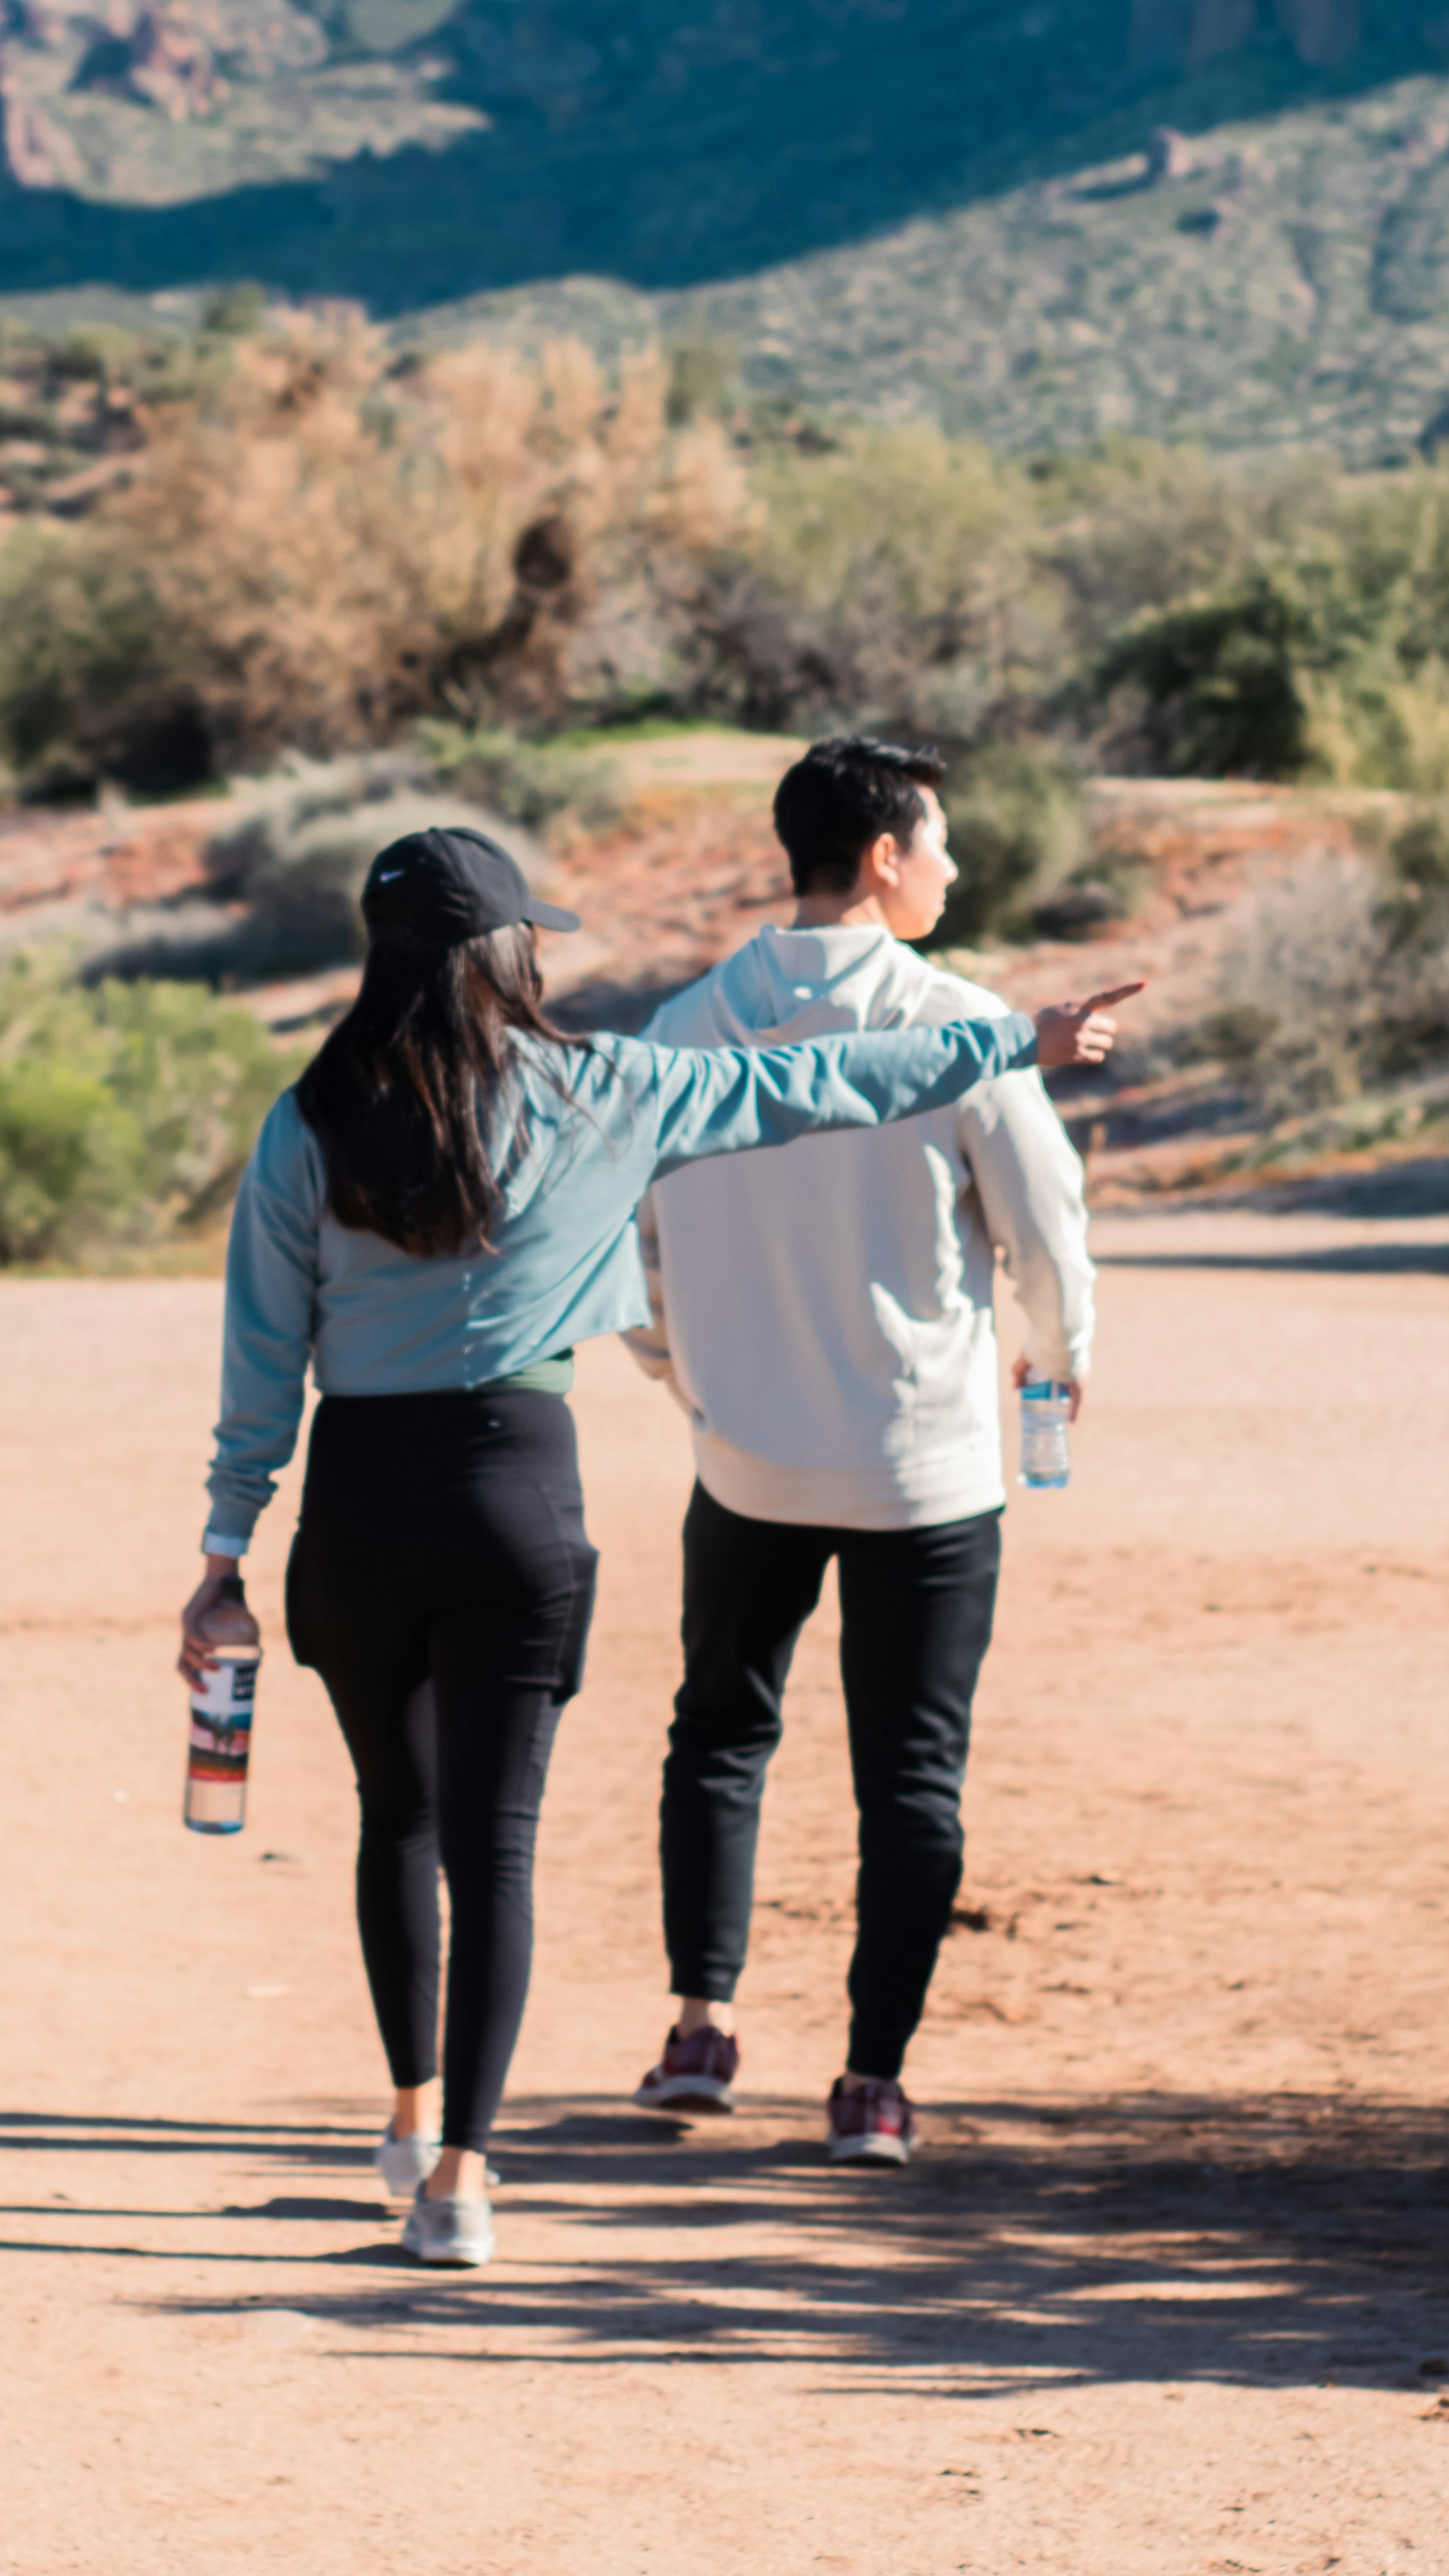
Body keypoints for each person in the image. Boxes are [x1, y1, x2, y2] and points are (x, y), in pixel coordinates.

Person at [178, 819, 1141, 2270]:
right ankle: (459, 2182)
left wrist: (223, 1549)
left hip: (357, 1503)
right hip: (515, 1492)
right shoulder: (603, 1086)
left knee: (400, 1819)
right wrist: (1014, 1041)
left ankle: (405, 2104)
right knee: (496, 1845)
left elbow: (260, 1352)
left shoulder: (308, 1117)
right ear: (505, 954)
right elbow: (817, 1084)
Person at [625, 735, 1104, 2167]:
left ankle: (698, 2028)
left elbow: (631, 1249)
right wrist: (1059, 1354)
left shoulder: (679, 1030)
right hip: (924, 1469)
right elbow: (1044, 1221)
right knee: (909, 1774)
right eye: (938, 846)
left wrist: (689, 1383)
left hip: (742, 1461)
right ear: (884, 858)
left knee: (717, 1736)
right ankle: (869, 2083)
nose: (950, 870)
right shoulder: (961, 1024)